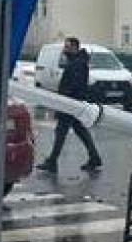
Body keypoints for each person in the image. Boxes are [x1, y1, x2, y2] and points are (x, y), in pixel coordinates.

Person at [37, 37, 102, 173]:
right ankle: (94, 157)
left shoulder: (77, 64)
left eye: (67, 47)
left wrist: (65, 99)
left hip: (70, 104)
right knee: (79, 130)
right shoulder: (77, 62)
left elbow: (75, 85)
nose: (64, 50)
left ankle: (52, 162)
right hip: (72, 103)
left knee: (61, 132)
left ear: (74, 48)